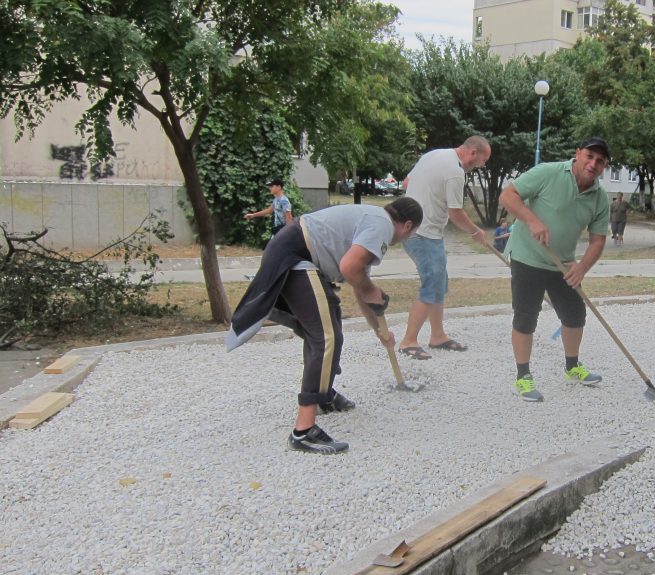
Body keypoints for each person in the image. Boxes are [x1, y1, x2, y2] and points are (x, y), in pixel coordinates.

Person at [226, 198, 423, 454]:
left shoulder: (372, 220)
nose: (406, 239)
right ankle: (303, 431)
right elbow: (351, 269)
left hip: (300, 258)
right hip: (296, 258)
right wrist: (372, 290)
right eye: (411, 234)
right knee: (325, 338)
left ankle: (324, 396)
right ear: (407, 225)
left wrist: (379, 330)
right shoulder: (382, 225)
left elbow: (359, 284)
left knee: (331, 334)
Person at [498, 137, 611, 402]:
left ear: (604, 166)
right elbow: (508, 195)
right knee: (526, 317)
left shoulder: (599, 197)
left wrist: (582, 267)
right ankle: (523, 376)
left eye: (600, 161)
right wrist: (532, 220)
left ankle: (572, 367)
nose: (593, 164)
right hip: (528, 256)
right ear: (578, 153)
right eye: (589, 156)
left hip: (564, 263)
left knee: (575, 315)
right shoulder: (548, 172)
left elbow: (598, 240)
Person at [397, 136, 492, 360]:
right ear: (472, 153)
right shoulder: (455, 172)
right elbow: (456, 213)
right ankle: (408, 341)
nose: (480, 166)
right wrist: (476, 232)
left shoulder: (433, 154)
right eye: (481, 161)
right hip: (423, 234)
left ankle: (437, 336)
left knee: (439, 283)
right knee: (432, 284)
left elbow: (406, 183)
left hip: (416, 230)